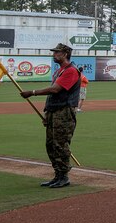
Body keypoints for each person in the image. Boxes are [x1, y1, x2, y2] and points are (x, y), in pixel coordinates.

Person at [19, 43, 80, 188]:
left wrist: (32, 92)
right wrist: (46, 112)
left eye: (57, 52)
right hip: (54, 111)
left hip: (64, 111)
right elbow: (51, 96)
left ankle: (63, 176)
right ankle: (57, 175)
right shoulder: (59, 71)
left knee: (60, 144)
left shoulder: (71, 71)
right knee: (51, 144)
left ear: (65, 54)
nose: (54, 55)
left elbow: (55, 90)